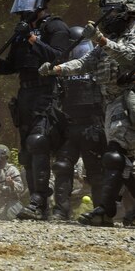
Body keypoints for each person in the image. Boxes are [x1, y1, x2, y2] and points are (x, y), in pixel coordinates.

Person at [39, 0, 135, 227]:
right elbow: (84, 62)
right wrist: (57, 69)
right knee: (120, 158)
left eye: (111, 11)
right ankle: (105, 210)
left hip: (131, 97)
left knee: (119, 157)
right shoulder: (112, 37)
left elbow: (131, 57)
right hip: (113, 101)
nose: (106, 16)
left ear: (126, 10)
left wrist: (102, 40)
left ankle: (106, 210)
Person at [0, 0, 70, 220]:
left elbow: (59, 58)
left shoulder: (56, 27)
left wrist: (34, 40)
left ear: (41, 2)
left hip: (47, 90)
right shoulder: (21, 31)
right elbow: (13, 65)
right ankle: (37, 203)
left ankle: (38, 201)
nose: (23, 8)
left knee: (39, 142)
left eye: (28, 2)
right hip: (25, 93)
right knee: (26, 151)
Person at [49, 26, 106, 221]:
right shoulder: (63, 69)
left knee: (95, 170)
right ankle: (61, 210)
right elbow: (57, 99)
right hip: (70, 125)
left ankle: (101, 211)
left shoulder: (97, 65)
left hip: (93, 124)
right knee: (62, 166)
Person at [0, 144, 25, 220]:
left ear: (5, 156)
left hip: (10, 202)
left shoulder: (12, 170)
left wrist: (12, 184)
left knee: (10, 217)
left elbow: (21, 188)